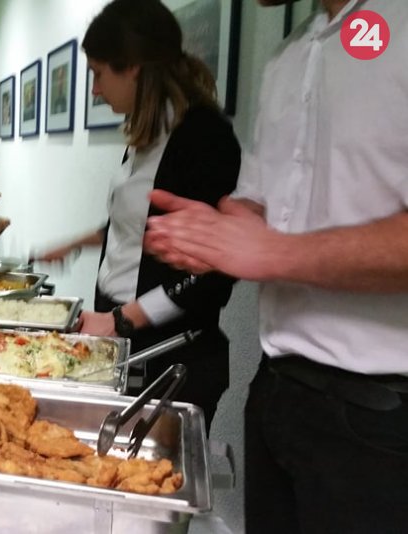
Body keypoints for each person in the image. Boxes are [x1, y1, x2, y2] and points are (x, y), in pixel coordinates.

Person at [143, 0, 408, 531]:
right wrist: (222, 229)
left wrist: (272, 253)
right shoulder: (288, 57)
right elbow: (263, 201)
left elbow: (275, 247)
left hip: (382, 414)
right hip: (276, 386)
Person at [37, 0, 240, 427]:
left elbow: (212, 272)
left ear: (131, 67)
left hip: (170, 354)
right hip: (124, 336)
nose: (95, 89)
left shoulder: (204, 137)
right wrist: (80, 242)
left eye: (98, 74)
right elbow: (143, 225)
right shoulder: (149, 131)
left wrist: (120, 321)